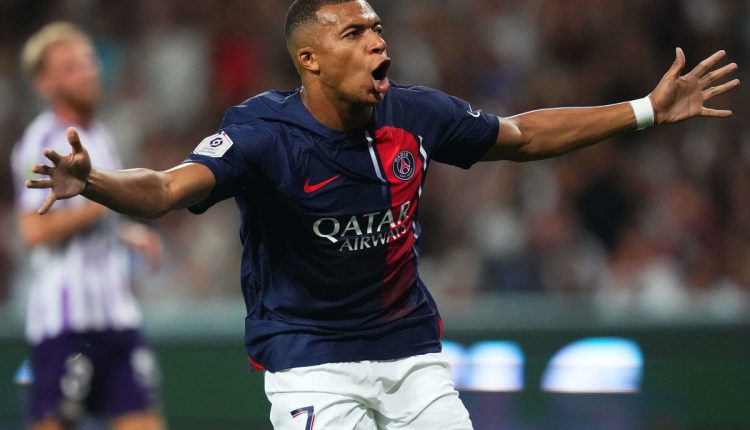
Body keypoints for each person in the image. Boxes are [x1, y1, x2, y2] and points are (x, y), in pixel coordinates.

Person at [26, 1, 739, 429]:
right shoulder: (262, 133)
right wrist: (95, 183)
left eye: (377, 28)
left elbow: (522, 136)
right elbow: (164, 189)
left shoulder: (415, 113)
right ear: (310, 59)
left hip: (410, 355)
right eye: (356, 32)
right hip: (309, 362)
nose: (378, 41)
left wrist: (645, 110)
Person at [12, 22, 164, 430]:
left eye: (88, 61)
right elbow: (32, 230)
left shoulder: (101, 136)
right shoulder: (41, 141)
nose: (87, 72)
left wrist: (126, 232)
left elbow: (93, 215)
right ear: (44, 83)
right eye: (70, 67)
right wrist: (98, 204)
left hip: (117, 315)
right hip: (66, 321)